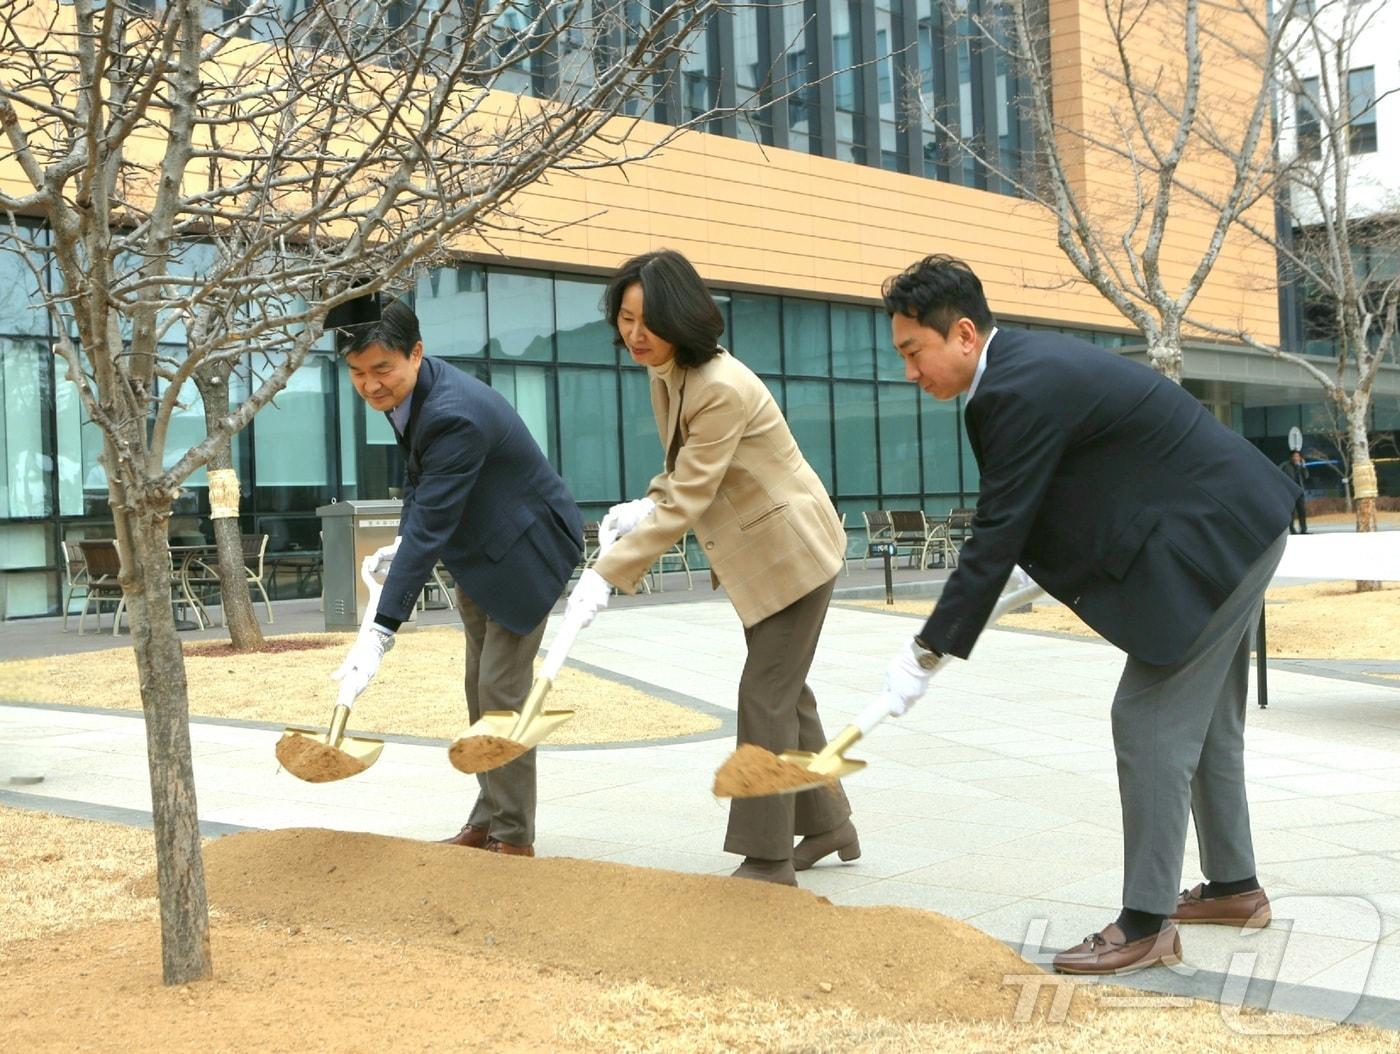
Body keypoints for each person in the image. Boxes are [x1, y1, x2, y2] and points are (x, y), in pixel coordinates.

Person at [878, 255, 1299, 974]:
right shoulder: (1023, 370)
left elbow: (999, 529)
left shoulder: (1012, 389)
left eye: (914, 353)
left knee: (1148, 720)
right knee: (1205, 724)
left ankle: (1145, 924)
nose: (910, 373)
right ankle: (1234, 887)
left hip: (1218, 540)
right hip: (1237, 521)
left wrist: (926, 651)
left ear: (965, 335)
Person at [566, 249, 856, 887]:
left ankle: (769, 858)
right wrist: (643, 504)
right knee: (787, 694)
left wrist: (605, 570)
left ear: (684, 317)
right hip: (759, 554)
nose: (635, 335)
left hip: (793, 553)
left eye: (649, 320)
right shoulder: (668, 372)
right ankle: (829, 821)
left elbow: (689, 494)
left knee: (764, 695)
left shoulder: (720, 387)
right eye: (625, 318)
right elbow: (681, 471)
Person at [329, 295, 583, 857]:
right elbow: (422, 485)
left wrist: (381, 629)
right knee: (478, 687)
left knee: (499, 693)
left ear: (415, 353)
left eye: (381, 370)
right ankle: (488, 816)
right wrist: (401, 539)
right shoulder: (415, 396)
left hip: (525, 553)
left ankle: (513, 836)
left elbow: (432, 524)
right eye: (356, 373)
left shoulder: (452, 412)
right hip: (480, 551)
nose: (370, 385)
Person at [1282, 451, 1310, 534]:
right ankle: (1292, 529)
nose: (1296, 458)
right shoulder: (1286, 466)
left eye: (1298, 456)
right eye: (1294, 456)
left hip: (1299, 492)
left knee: (1302, 511)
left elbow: (1306, 476)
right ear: (1291, 457)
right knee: (1291, 512)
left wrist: (1303, 467)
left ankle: (1303, 529)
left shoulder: (1301, 466)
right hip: (1290, 492)